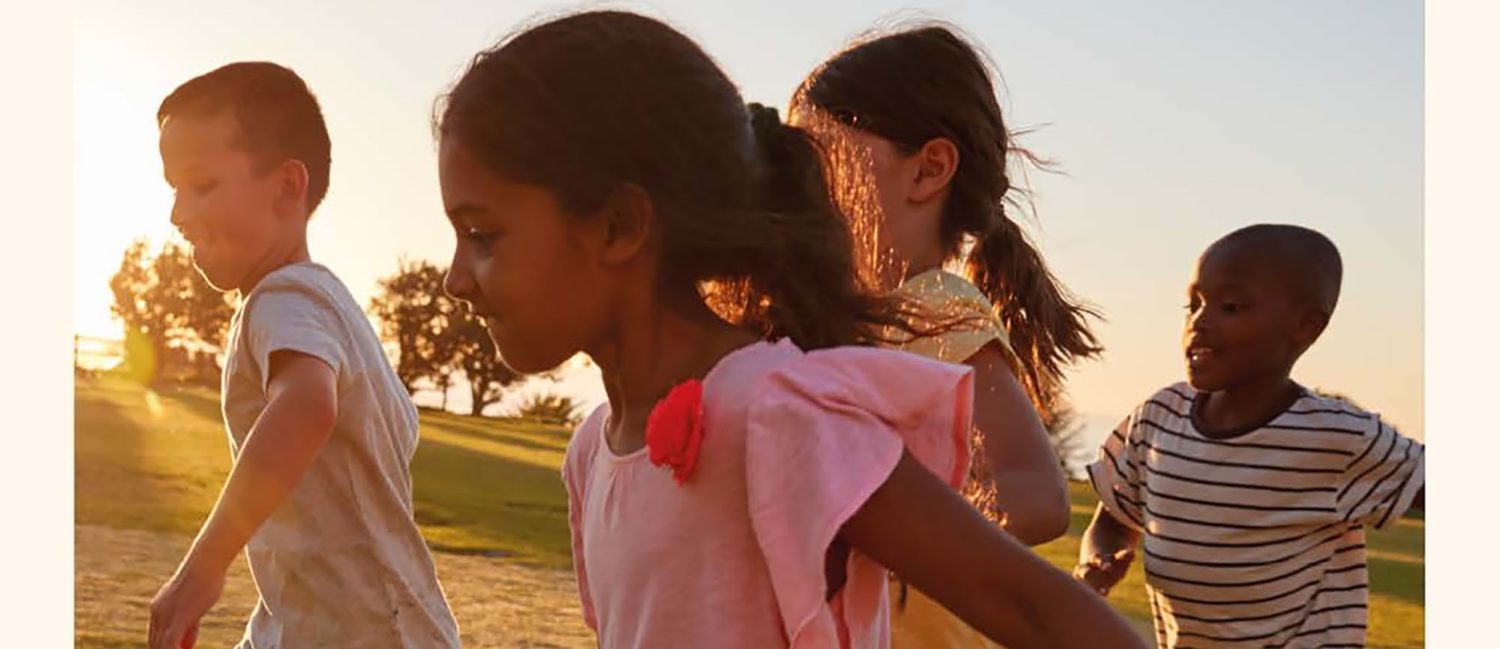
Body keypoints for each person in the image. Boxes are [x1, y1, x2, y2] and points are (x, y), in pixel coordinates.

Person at [434, 10, 1144, 649]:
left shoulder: (776, 412)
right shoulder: (593, 453)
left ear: (619, 226)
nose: (454, 279)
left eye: (482, 235)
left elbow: (1037, 609)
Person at [791, 24, 1102, 646]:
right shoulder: (831, 320)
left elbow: (1039, 494)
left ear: (929, 169)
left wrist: (887, 526)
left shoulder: (934, 308)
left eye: (820, 160)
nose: (800, 187)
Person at [146, 61, 460, 649]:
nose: (178, 213)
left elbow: (307, 406)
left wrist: (201, 568)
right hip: (339, 626)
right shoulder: (331, 307)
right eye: (174, 188)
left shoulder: (282, 298)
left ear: (288, 187)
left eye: (201, 185)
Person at [1076, 224, 1425, 648]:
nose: (1199, 322)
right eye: (1192, 305)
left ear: (1306, 327)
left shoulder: (1337, 437)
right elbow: (1113, 520)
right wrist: (1097, 560)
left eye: (1230, 307)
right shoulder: (1158, 419)